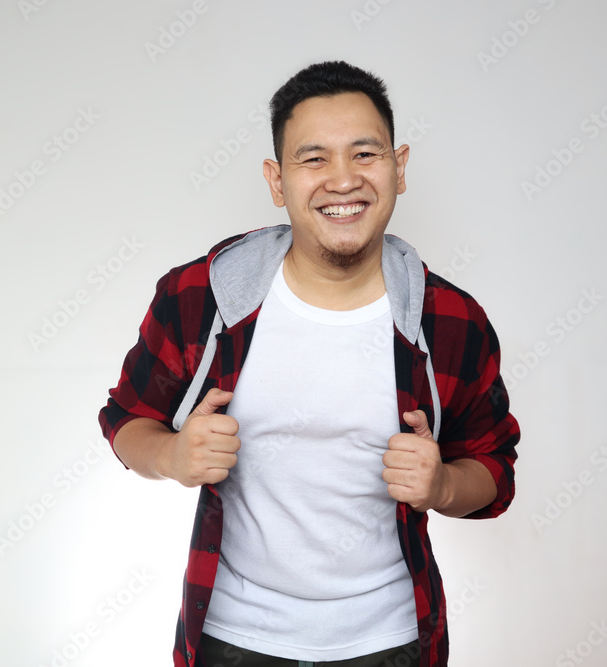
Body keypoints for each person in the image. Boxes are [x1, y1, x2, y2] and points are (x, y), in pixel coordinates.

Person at [98, 60, 520, 667]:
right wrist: (170, 455)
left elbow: (494, 468)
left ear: (400, 169)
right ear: (276, 180)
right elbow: (126, 418)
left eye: (365, 154)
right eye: (313, 158)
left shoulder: (450, 320)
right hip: (233, 639)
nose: (342, 180)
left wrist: (443, 484)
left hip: (390, 640)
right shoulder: (203, 296)